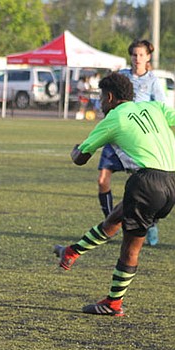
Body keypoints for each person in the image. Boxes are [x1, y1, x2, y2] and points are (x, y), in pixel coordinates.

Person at [54, 72, 175, 316]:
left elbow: (80, 158)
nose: (100, 103)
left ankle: (113, 303)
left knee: (131, 248)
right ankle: (72, 252)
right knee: (116, 217)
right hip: (172, 180)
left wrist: (74, 150)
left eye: (100, 97)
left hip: (146, 183)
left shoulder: (113, 119)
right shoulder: (155, 107)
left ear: (110, 97)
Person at [96, 39, 165, 245]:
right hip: (117, 133)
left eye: (141, 55)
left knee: (142, 188)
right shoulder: (122, 77)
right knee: (102, 180)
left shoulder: (152, 81)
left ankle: (150, 225)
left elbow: (160, 109)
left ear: (148, 57)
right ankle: (110, 224)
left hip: (137, 139)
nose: (137, 59)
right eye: (134, 55)